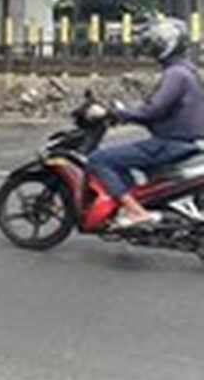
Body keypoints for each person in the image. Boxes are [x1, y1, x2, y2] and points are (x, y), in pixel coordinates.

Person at [87, 17, 204, 228]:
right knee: (123, 159)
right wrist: (126, 113)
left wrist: (115, 113)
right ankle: (136, 203)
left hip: (170, 144)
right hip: (185, 141)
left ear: (166, 44)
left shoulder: (175, 74)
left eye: (153, 43)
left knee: (100, 159)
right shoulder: (187, 71)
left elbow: (153, 110)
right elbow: (161, 109)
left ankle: (135, 211)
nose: (149, 48)